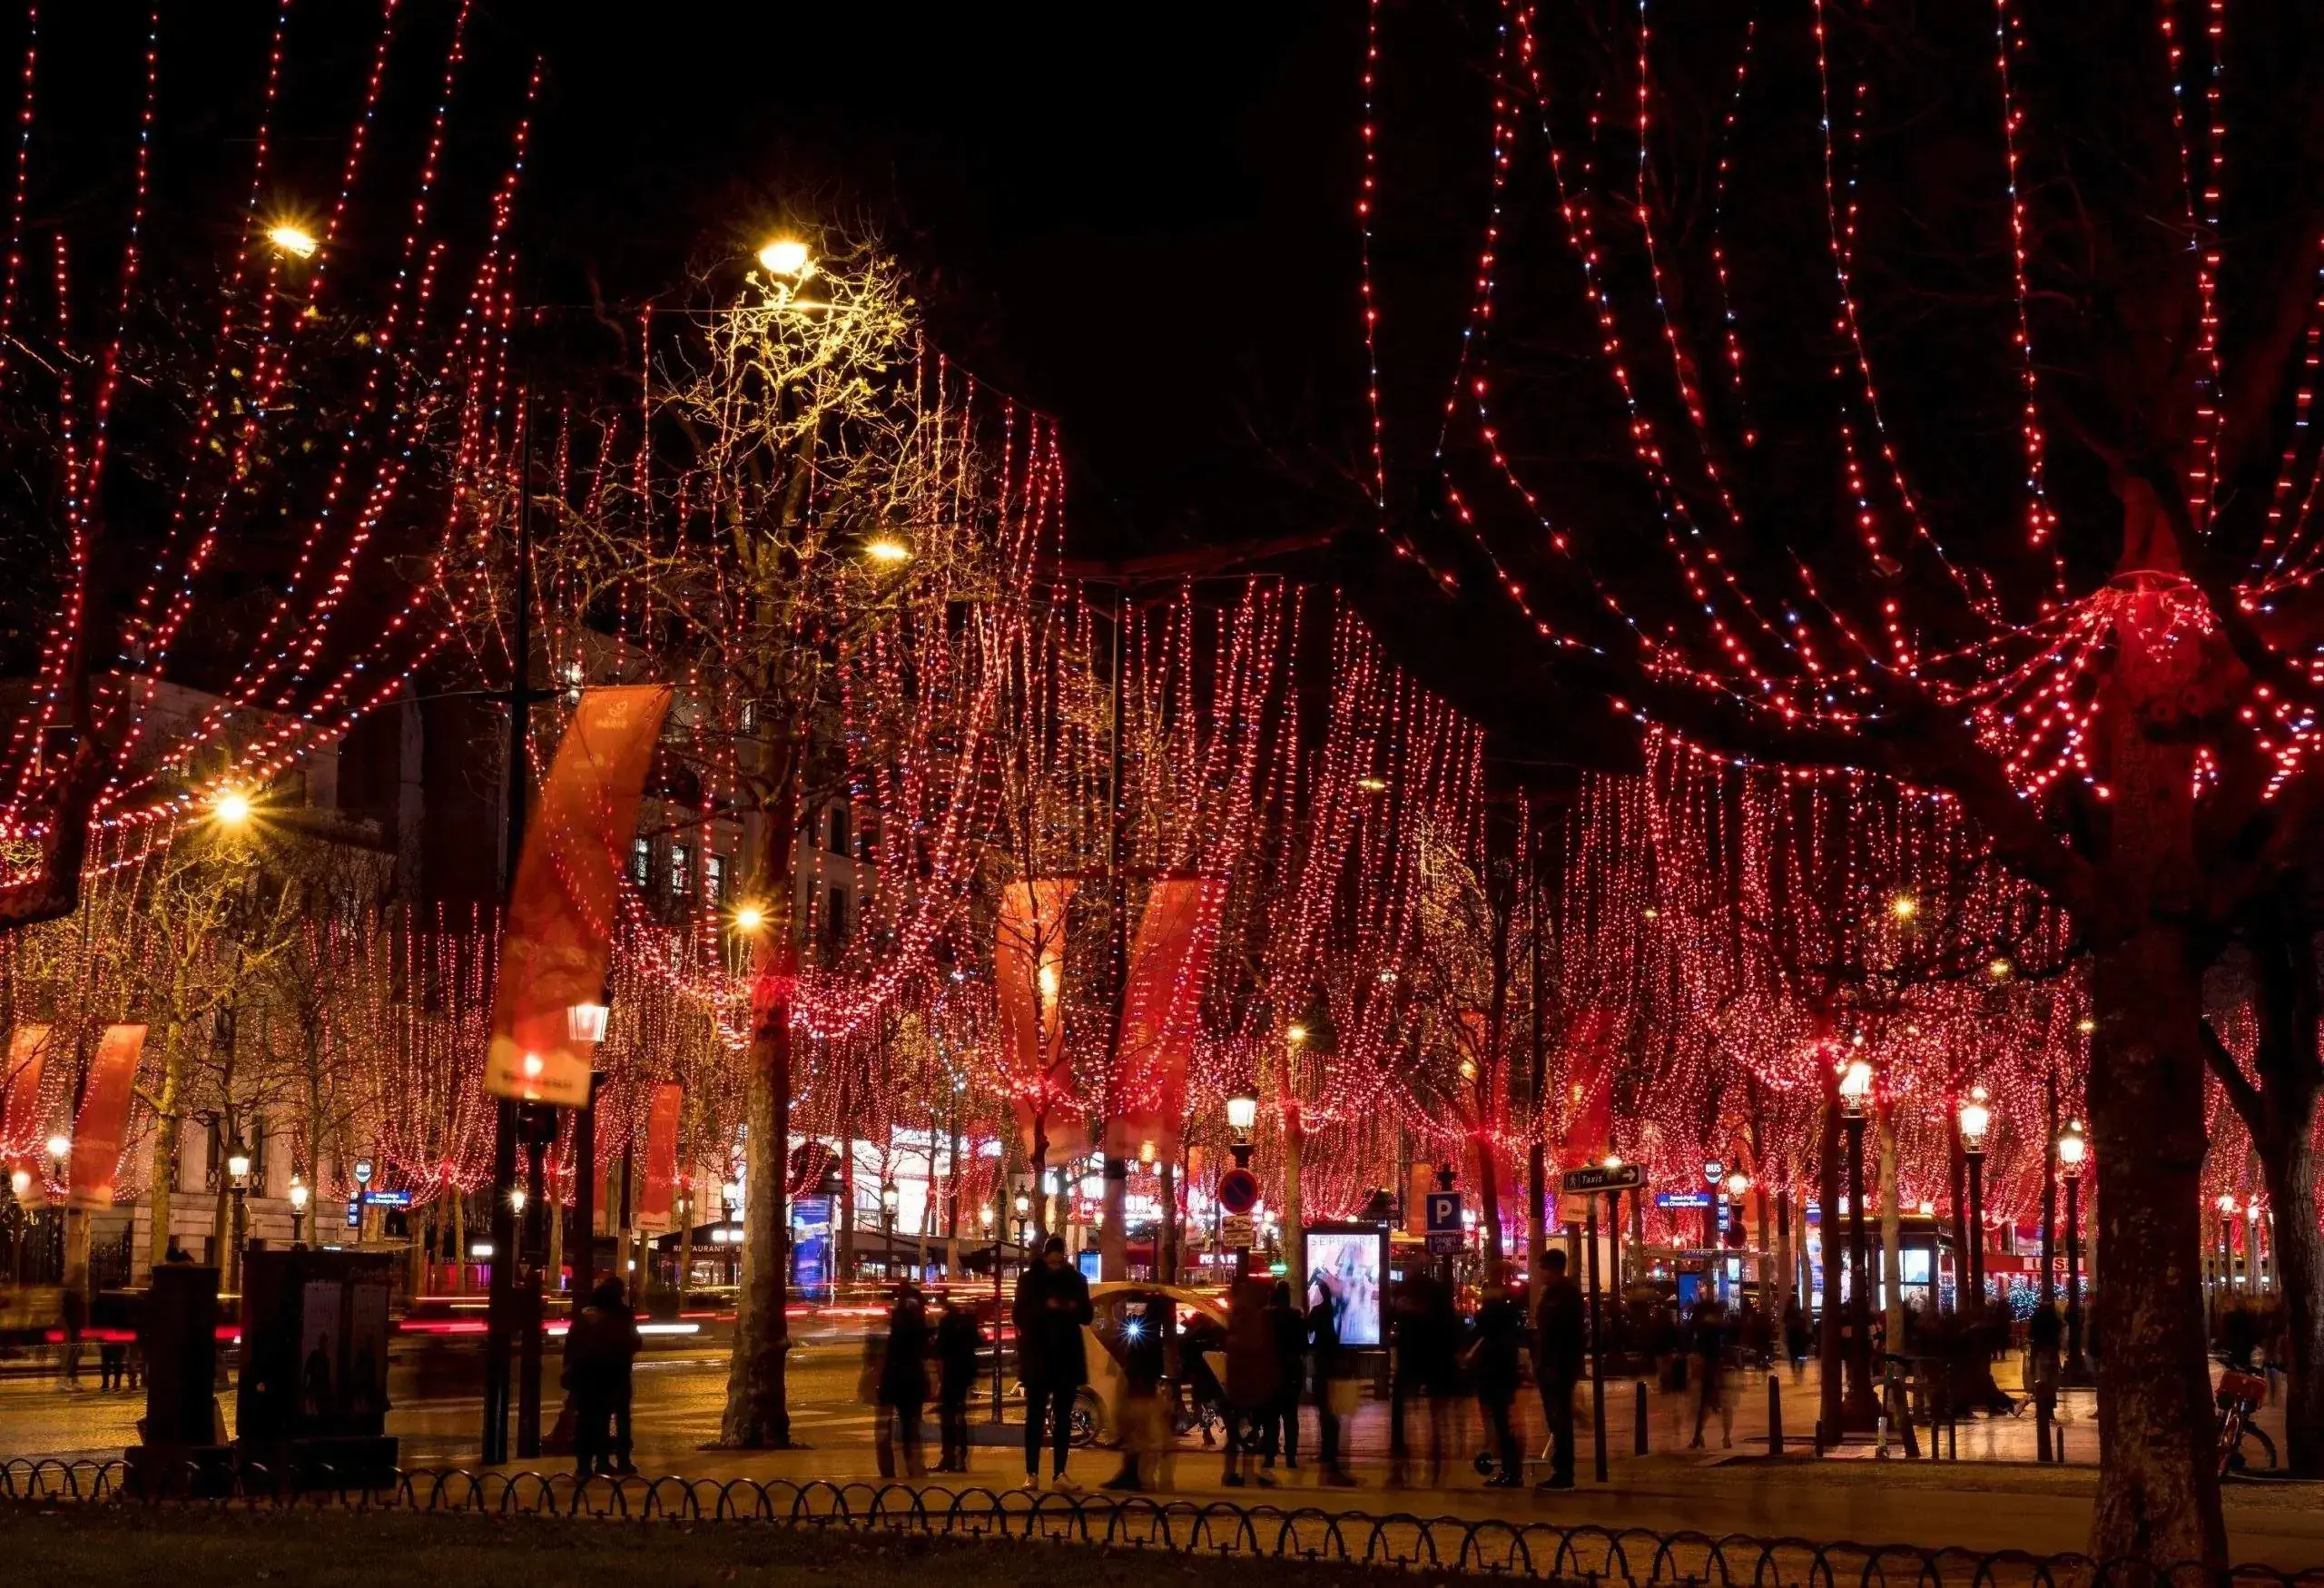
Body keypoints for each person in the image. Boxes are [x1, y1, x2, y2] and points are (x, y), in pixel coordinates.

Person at [1012, 1234, 1091, 1492]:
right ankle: (1036, 1473)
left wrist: (1066, 1306)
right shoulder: (1031, 1280)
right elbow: (1019, 1315)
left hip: (1056, 1357)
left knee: (1057, 1418)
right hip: (1045, 1355)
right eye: (1053, 1258)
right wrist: (1049, 1307)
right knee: (1038, 1417)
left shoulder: (1075, 1281)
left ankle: (1052, 1473)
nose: (1056, 1262)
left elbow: (1086, 1315)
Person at [563, 1277, 643, 1478]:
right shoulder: (623, 1315)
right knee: (622, 1418)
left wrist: (570, 1368)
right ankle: (620, 1460)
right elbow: (635, 1341)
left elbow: (571, 1345)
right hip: (616, 1373)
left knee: (590, 1418)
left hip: (587, 1374)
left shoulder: (585, 1316)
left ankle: (585, 1464)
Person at [1532, 1248, 1584, 1490]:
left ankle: (1564, 1471)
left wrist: (1556, 1365)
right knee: (1556, 1420)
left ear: (1553, 1269)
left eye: (1543, 1268)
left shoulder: (1565, 1294)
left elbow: (1566, 1334)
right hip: (1549, 1365)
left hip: (1559, 1366)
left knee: (1560, 1419)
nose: (1540, 1272)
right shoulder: (1553, 1293)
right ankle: (1560, 1468)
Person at [1468, 1275, 1528, 1485]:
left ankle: (1510, 1471)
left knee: (1502, 1424)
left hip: (1494, 1377)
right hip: (1502, 1377)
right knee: (1504, 1423)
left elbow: (1480, 1322)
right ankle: (1510, 1469)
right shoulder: (1508, 1326)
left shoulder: (1492, 1325)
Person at [1222, 1278, 1280, 1487]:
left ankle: (1233, 1472)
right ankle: (1244, 1473)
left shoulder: (1236, 1319)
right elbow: (1259, 1352)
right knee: (1247, 1430)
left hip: (1240, 1386)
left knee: (1240, 1430)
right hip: (1249, 1386)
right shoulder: (1252, 1320)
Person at [875, 1286, 930, 1479]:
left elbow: (881, 1355)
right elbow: (925, 1354)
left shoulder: (892, 1325)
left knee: (883, 1427)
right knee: (910, 1426)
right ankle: (914, 1467)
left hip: (891, 1380)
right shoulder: (920, 1327)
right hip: (912, 1381)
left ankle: (887, 1468)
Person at [1307, 1274, 1356, 1485]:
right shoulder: (1337, 1311)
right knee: (1333, 1417)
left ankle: (1328, 1458)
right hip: (1334, 1368)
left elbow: (1306, 1331)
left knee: (1326, 1415)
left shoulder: (1318, 1312)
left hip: (1322, 1367)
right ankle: (1332, 1464)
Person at [933, 1292, 983, 1473]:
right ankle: (961, 1459)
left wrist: (941, 1381)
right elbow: (978, 1342)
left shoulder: (946, 1324)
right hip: (964, 1375)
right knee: (960, 1416)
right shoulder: (967, 1324)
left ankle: (948, 1457)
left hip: (951, 1376)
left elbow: (939, 1354)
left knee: (947, 1417)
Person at [1263, 1278, 1306, 1471]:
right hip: (1291, 1372)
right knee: (1290, 1416)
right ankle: (1291, 1457)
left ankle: (1270, 1455)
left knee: (1270, 1417)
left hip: (1271, 1370)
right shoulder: (1296, 1317)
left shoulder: (1266, 1317)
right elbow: (1304, 1346)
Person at [1687, 1296, 1731, 1449]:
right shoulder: (1717, 1325)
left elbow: (1695, 1345)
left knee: (1704, 1406)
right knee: (1720, 1404)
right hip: (1716, 1367)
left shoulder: (1703, 1327)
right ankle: (1725, 1437)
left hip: (1708, 1368)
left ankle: (1698, 1437)